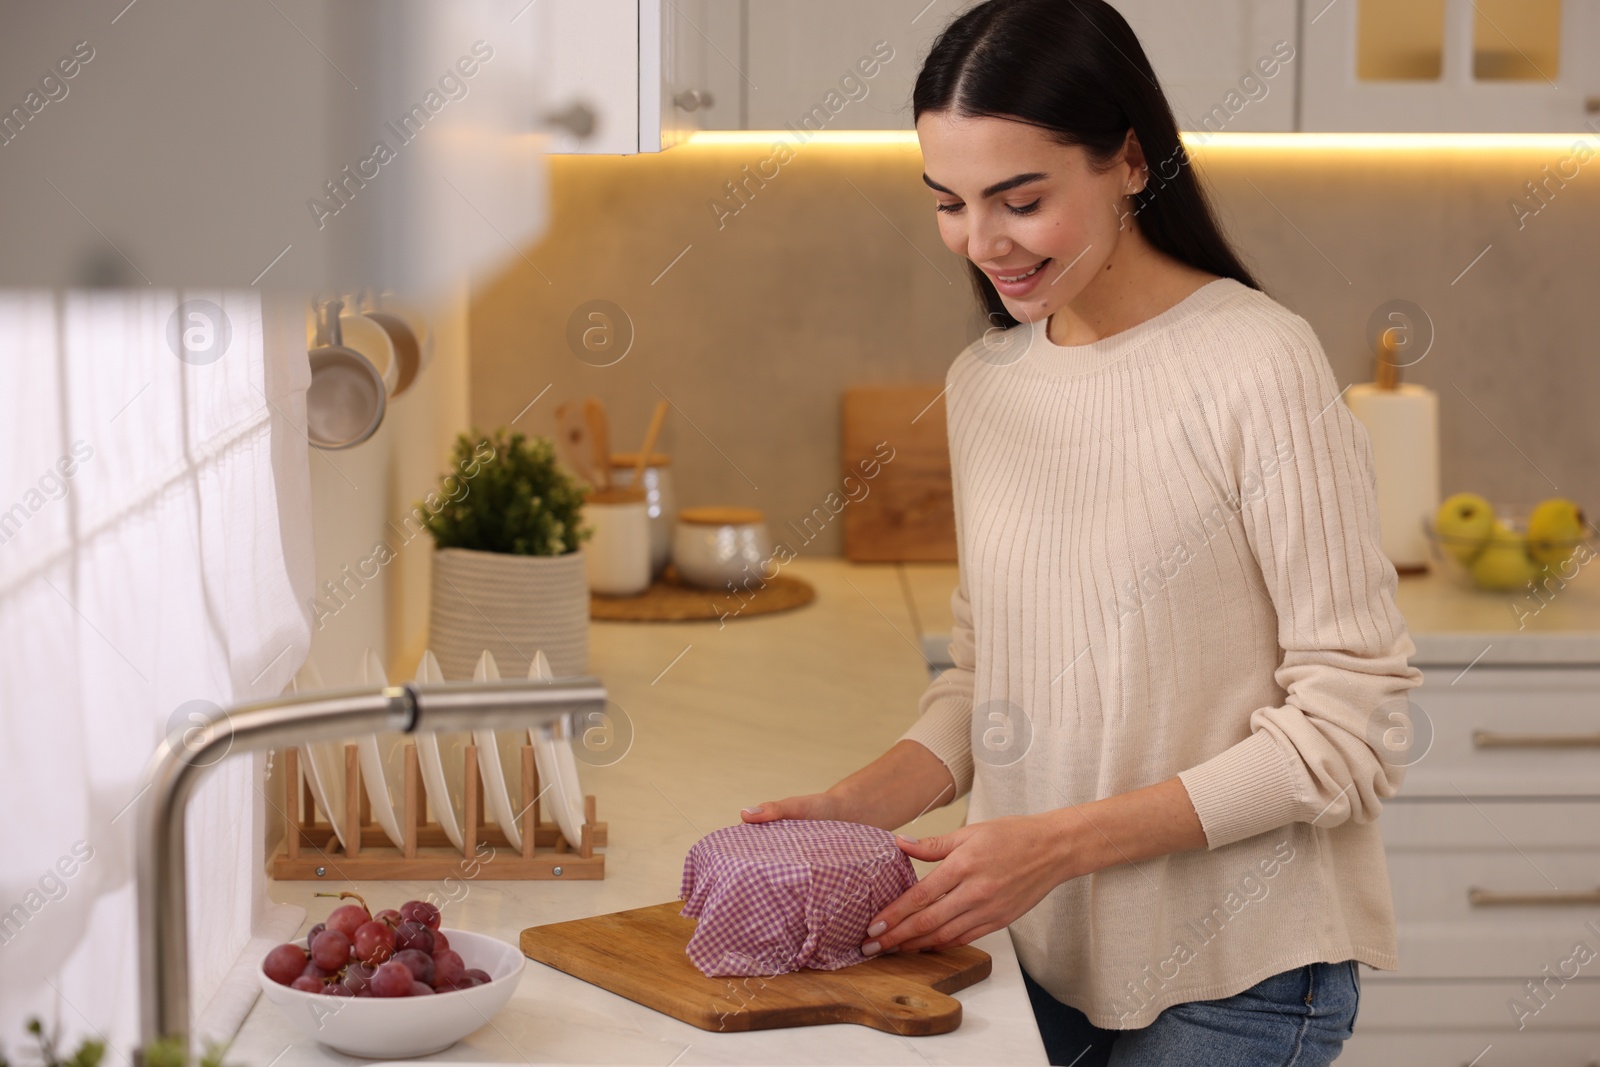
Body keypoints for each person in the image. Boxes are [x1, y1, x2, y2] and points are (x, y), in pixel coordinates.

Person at [741, 1, 1424, 1063]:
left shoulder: (1256, 361)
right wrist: (854, 805)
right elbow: (990, 678)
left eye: (1020, 200)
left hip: (1233, 977)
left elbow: (1352, 722)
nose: (982, 242)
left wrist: (1055, 845)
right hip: (1034, 957)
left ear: (1129, 161)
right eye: (950, 203)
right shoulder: (987, 381)